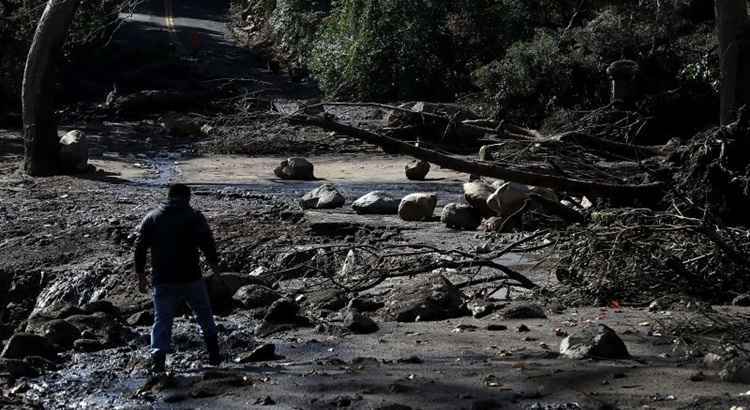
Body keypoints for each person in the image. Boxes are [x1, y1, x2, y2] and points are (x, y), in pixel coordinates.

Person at [135, 183, 221, 372]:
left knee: (162, 320)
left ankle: (158, 359)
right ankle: (214, 356)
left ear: (169, 196)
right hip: (191, 277)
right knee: (204, 314)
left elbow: (140, 249)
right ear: (188, 197)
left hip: (162, 278)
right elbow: (208, 245)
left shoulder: (152, 217)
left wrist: (141, 276)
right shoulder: (194, 217)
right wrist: (216, 270)